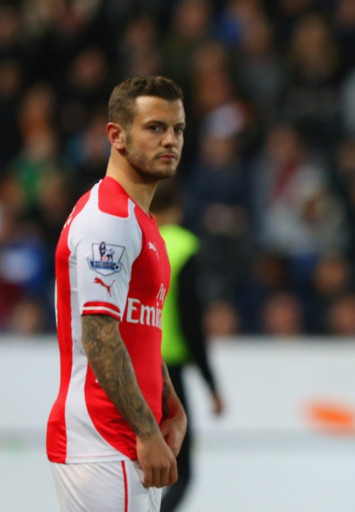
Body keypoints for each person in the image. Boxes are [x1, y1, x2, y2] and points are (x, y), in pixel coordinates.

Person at [46, 75, 188, 512]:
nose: (170, 141)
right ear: (116, 135)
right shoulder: (108, 219)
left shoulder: (141, 222)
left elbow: (136, 329)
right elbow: (99, 335)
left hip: (123, 440)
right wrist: (146, 432)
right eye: (155, 127)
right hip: (105, 439)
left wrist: (171, 406)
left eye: (178, 129)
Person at [149, 179, 225, 512]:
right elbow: (192, 323)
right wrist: (211, 384)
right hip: (170, 375)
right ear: (177, 207)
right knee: (181, 472)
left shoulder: (137, 241)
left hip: (134, 366)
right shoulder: (183, 247)